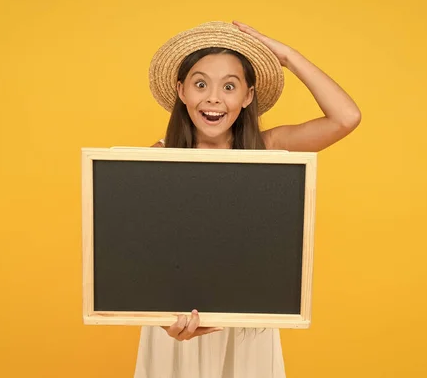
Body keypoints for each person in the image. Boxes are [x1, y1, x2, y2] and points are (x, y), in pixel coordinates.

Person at [134, 20, 361, 378]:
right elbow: (142, 251)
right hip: (176, 324)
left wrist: (286, 56)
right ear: (181, 91)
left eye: (229, 86)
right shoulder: (157, 158)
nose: (213, 98)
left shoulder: (266, 149)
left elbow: (346, 118)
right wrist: (163, 321)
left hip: (246, 328)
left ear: (248, 96)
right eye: (200, 84)